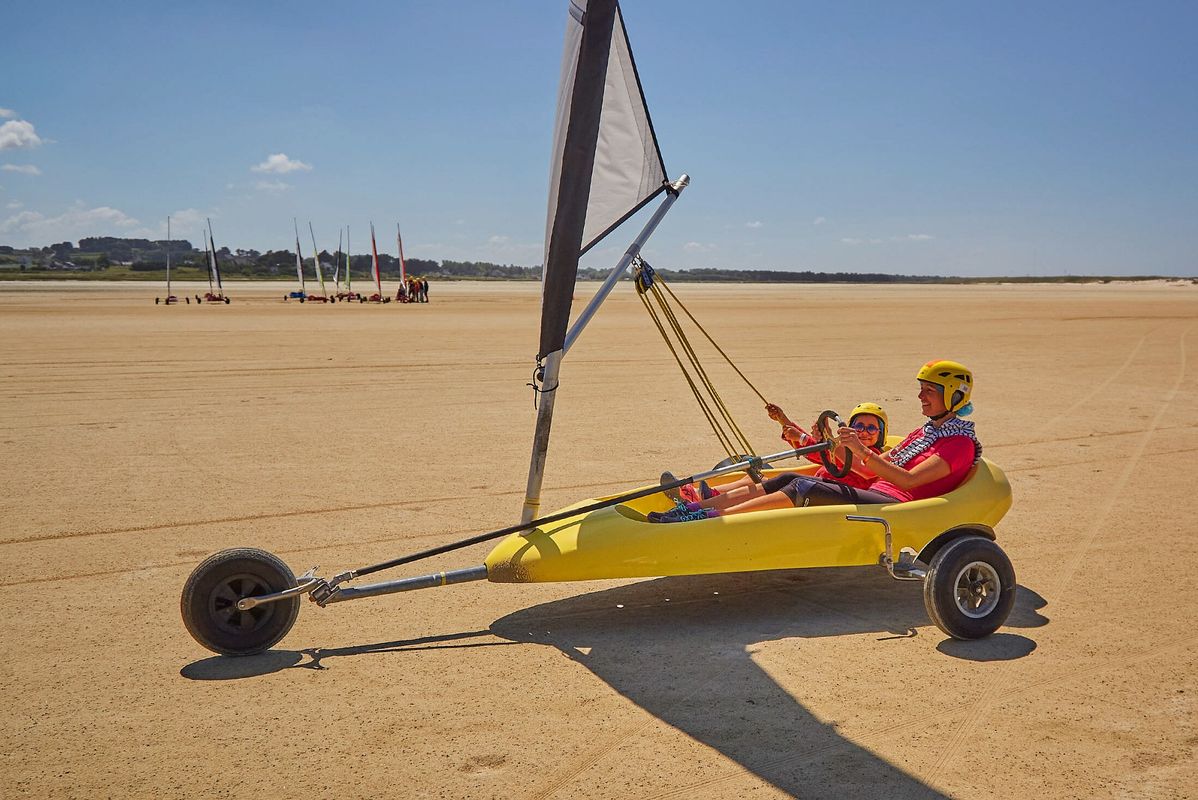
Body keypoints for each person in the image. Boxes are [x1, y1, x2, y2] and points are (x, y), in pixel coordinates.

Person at [651, 360, 981, 522]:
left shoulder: (958, 444)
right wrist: (846, 448)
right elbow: (874, 471)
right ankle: (691, 509)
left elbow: (906, 479)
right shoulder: (927, 432)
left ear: (952, 396)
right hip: (876, 491)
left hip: (899, 507)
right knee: (787, 478)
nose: (920, 396)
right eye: (921, 388)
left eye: (929, 391)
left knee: (804, 488)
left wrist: (859, 449)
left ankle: (706, 521)